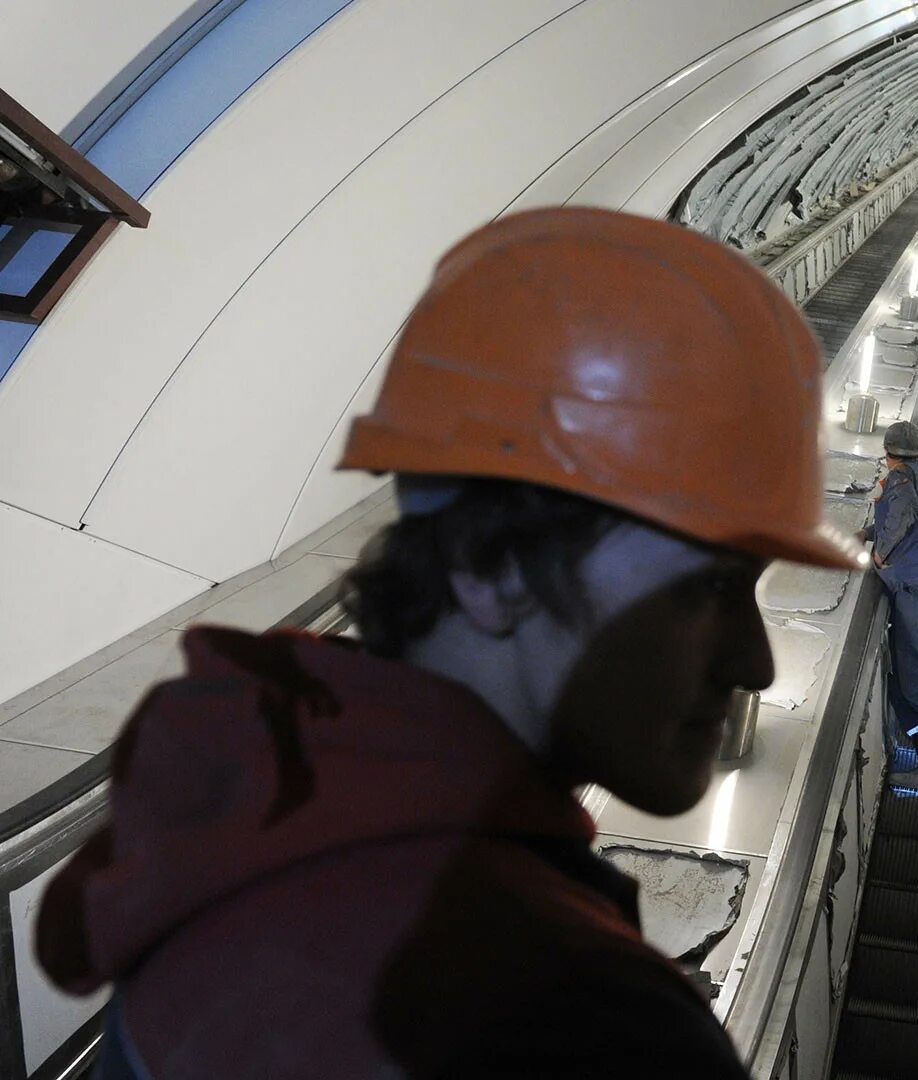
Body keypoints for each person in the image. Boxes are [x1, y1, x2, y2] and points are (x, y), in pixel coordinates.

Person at [34, 209, 865, 1078]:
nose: (756, 662)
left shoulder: (233, 838)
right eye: (708, 588)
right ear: (493, 565)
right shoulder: (576, 1019)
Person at [858, 420, 918, 792]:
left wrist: (879, 553)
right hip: (917, 583)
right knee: (907, 674)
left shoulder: (901, 479)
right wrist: (868, 533)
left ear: (888, 452)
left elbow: (902, 515)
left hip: (915, 583)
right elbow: (916, 519)